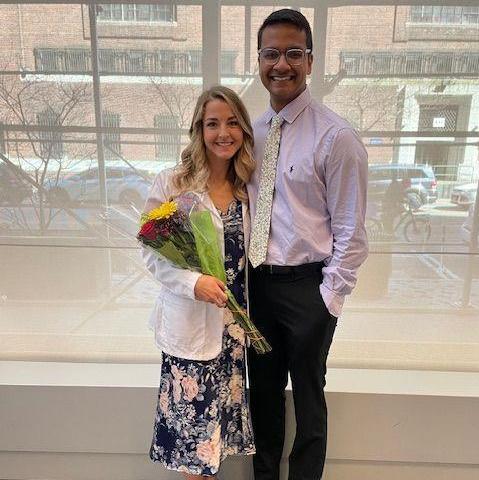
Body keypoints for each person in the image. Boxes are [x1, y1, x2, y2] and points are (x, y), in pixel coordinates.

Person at [247, 9, 369, 480]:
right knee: (263, 396)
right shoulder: (251, 133)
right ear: (259, 60)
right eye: (271, 54)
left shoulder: (337, 137)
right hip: (257, 287)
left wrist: (328, 298)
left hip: (307, 290)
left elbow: (352, 231)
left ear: (310, 61)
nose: (282, 64)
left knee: (309, 399)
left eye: (293, 53)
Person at [143, 85, 256, 479]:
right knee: (194, 450)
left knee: (214, 447)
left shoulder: (247, 187)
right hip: (191, 328)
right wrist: (194, 283)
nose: (223, 133)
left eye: (232, 123)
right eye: (212, 124)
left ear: (243, 130)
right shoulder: (173, 184)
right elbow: (152, 254)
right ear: (198, 130)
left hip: (232, 334)